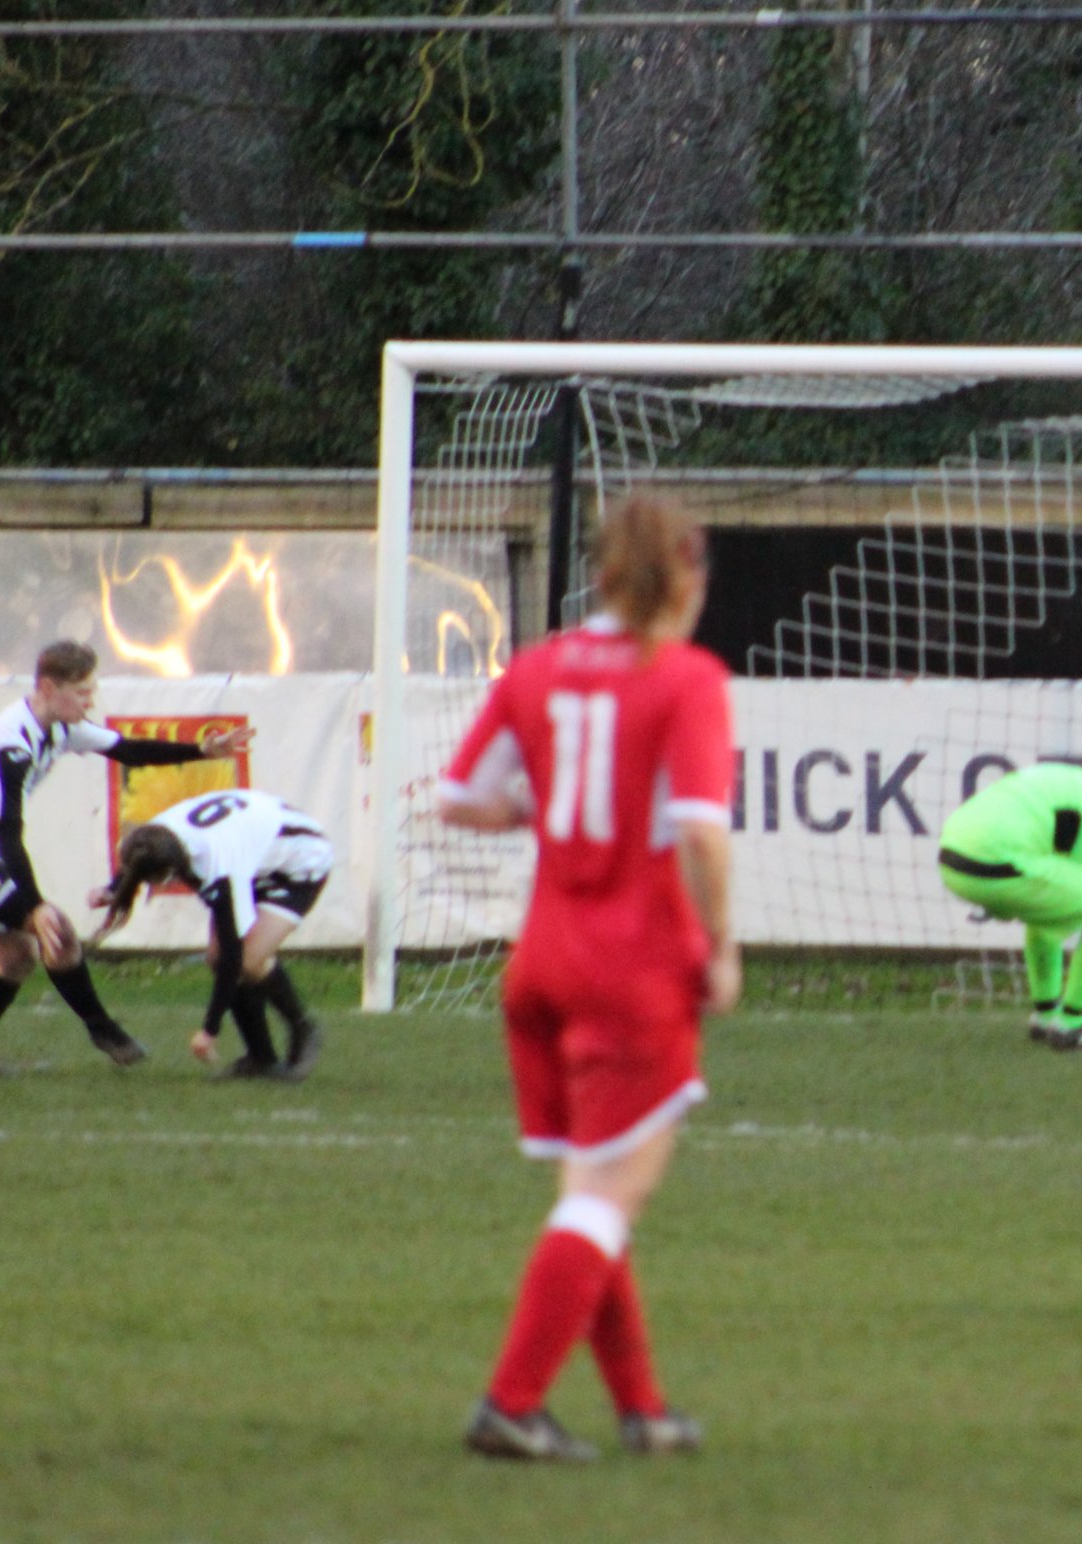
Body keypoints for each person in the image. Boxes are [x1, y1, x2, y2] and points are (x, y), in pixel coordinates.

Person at [437, 494, 737, 1463]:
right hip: (632, 965)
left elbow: (459, 797)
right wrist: (722, 943)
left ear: (602, 574)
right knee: (607, 1195)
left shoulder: (537, 664)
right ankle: (511, 1401)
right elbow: (698, 826)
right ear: (684, 579)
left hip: (543, 964)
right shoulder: (683, 675)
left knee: (589, 1188)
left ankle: (642, 1408)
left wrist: (552, 812)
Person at [0, 640, 253, 1074]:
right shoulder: (10, 746)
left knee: (16, 959)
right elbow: (8, 834)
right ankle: (103, 1029)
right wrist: (36, 906)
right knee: (56, 932)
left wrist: (202, 751)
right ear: (47, 688)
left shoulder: (59, 726)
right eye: (81, 691)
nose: (90, 699)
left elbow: (127, 749)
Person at [86, 788, 330, 1081]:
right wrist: (113, 890)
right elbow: (139, 860)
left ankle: (303, 1027)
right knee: (218, 958)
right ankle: (261, 1058)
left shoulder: (221, 864)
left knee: (247, 961)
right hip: (259, 850)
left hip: (300, 862)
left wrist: (209, 1030)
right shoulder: (158, 836)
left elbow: (232, 954)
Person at [936, 761, 1082, 1052]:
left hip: (953, 860)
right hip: (997, 858)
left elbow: (1059, 898)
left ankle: (1045, 1015)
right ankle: (1073, 1025)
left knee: (1050, 909)